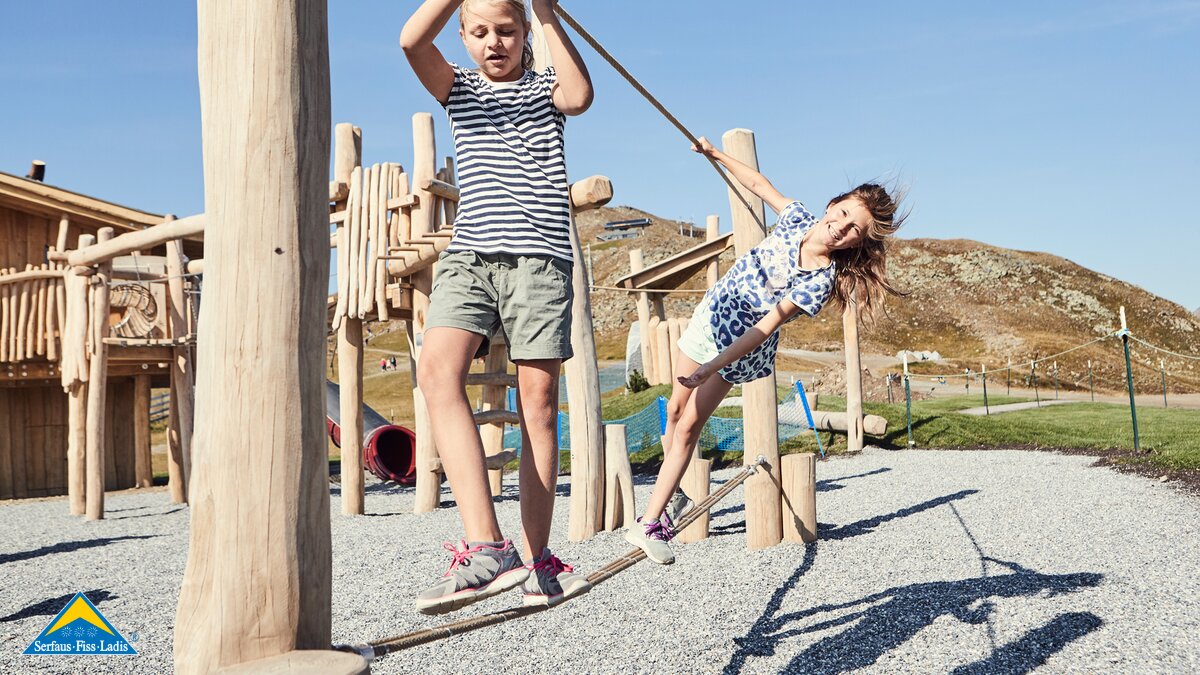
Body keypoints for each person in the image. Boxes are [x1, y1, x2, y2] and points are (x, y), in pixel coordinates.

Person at [625, 137, 906, 564]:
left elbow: (765, 325)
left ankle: (649, 522)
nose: (843, 226)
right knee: (674, 414)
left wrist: (715, 365)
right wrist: (714, 154)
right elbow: (759, 183)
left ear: (856, 244)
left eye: (854, 230)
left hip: (737, 350)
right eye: (844, 213)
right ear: (834, 204)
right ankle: (675, 495)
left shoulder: (819, 280)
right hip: (709, 317)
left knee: (687, 428)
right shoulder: (796, 219)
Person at [400, 0, 593, 613]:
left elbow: (580, 96)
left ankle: (538, 561)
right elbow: (410, 41)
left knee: (537, 407)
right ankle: (487, 545)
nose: (493, 42)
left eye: (506, 31)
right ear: (461, 35)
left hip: (538, 259)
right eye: (479, 32)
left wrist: (544, 13)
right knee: (435, 372)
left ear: (524, 35)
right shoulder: (458, 89)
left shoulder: (543, 88)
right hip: (471, 255)